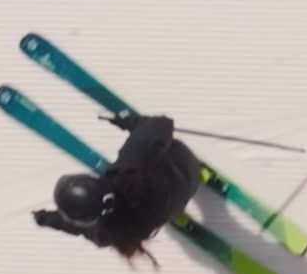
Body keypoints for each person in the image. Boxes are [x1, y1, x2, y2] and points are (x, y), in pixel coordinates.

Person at [32, 112, 202, 265]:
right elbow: (163, 124)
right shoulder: (133, 165)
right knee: (157, 152)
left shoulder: (108, 233)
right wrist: (130, 121)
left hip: (174, 205)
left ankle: (177, 213)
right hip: (186, 166)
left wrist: (48, 219)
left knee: (159, 211)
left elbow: (80, 229)